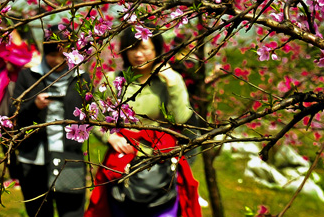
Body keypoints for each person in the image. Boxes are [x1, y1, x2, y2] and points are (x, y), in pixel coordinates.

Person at [86, 27, 201, 217]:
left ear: (156, 51)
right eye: (133, 48)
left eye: (145, 48)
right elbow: (93, 116)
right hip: (122, 166)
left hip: (161, 164)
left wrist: (173, 82)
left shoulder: (167, 82)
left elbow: (181, 119)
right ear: (125, 50)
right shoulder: (113, 81)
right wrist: (109, 136)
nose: (139, 55)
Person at [12, 26, 92, 217]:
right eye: (52, 55)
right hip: (34, 159)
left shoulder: (81, 79)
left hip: (69, 157)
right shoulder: (28, 76)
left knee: (72, 211)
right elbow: (16, 117)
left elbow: (89, 116)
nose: (58, 61)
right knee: (39, 211)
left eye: (63, 55)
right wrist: (35, 106)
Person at [0, 24, 41, 117]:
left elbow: (36, 61)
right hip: (10, 82)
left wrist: (17, 63)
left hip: (22, 82)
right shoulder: (6, 45)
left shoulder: (29, 46)